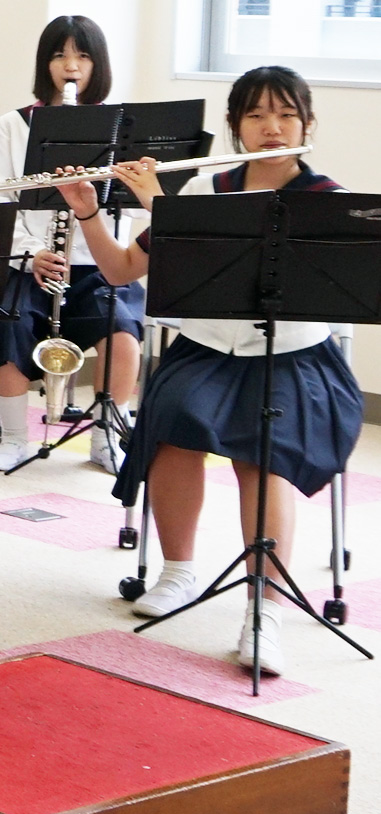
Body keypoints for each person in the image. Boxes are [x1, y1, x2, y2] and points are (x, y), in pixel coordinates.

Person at [71, 66, 357, 675]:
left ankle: (264, 610)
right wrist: (89, 211)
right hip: (207, 351)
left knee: (267, 449)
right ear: (235, 128)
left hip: (295, 358)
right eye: (255, 116)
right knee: (176, 425)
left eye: (285, 115)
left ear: (307, 123)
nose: (272, 128)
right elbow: (122, 270)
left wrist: (160, 204)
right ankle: (179, 571)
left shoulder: (329, 201)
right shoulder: (206, 188)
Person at [0, 15, 143, 474]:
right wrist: (31, 253)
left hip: (98, 265)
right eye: (59, 55)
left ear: (97, 65)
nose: (70, 65)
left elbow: (136, 211)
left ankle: (107, 436)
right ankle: (14, 437)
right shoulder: (16, 124)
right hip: (31, 262)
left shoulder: (122, 129)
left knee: (122, 328)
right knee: (5, 321)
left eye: (82, 55)